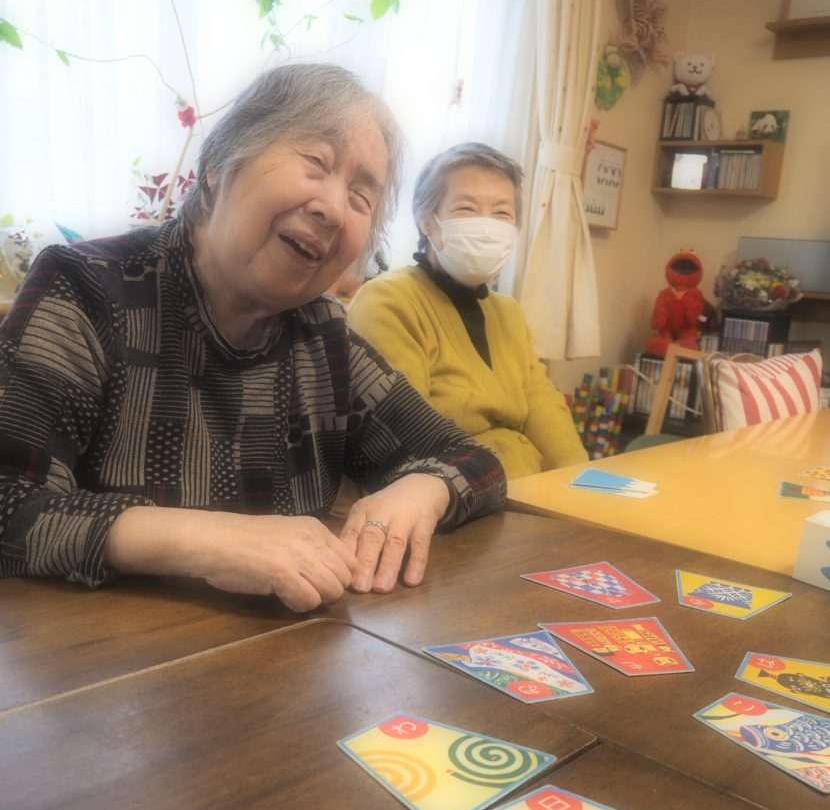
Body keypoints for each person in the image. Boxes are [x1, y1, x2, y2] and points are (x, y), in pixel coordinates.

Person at [0, 65, 505, 612]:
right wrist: (203, 541)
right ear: (219, 165)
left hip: (289, 651)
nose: (334, 209)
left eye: (361, 197)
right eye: (316, 163)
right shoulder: (85, 290)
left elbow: (472, 460)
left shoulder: (321, 333)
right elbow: (8, 502)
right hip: (101, 653)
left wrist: (420, 491)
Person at [347, 142, 587, 480]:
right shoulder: (388, 301)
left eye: (502, 213)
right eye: (466, 208)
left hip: (531, 490)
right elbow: (406, 437)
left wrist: (580, 480)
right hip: (455, 493)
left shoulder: (508, 313)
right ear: (426, 222)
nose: (486, 225)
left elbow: (543, 405)